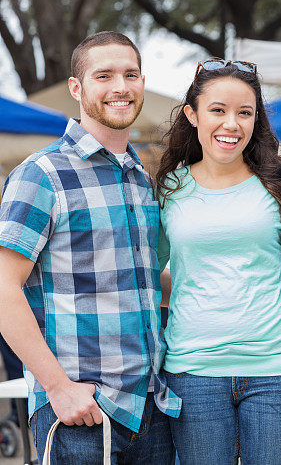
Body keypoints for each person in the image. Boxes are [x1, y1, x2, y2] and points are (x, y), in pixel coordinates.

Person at [0, 31, 180, 464]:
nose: (121, 86)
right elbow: (4, 289)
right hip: (81, 413)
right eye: (105, 75)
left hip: (151, 409)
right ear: (77, 88)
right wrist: (59, 389)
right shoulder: (41, 174)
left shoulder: (142, 178)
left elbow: (146, 283)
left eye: (131, 74)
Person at [155, 59, 281, 464]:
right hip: (193, 370)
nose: (231, 124)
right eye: (218, 110)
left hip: (275, 369)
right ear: (192, 115)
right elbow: (150, 273)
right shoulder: (169, 189)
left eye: (245, 112)